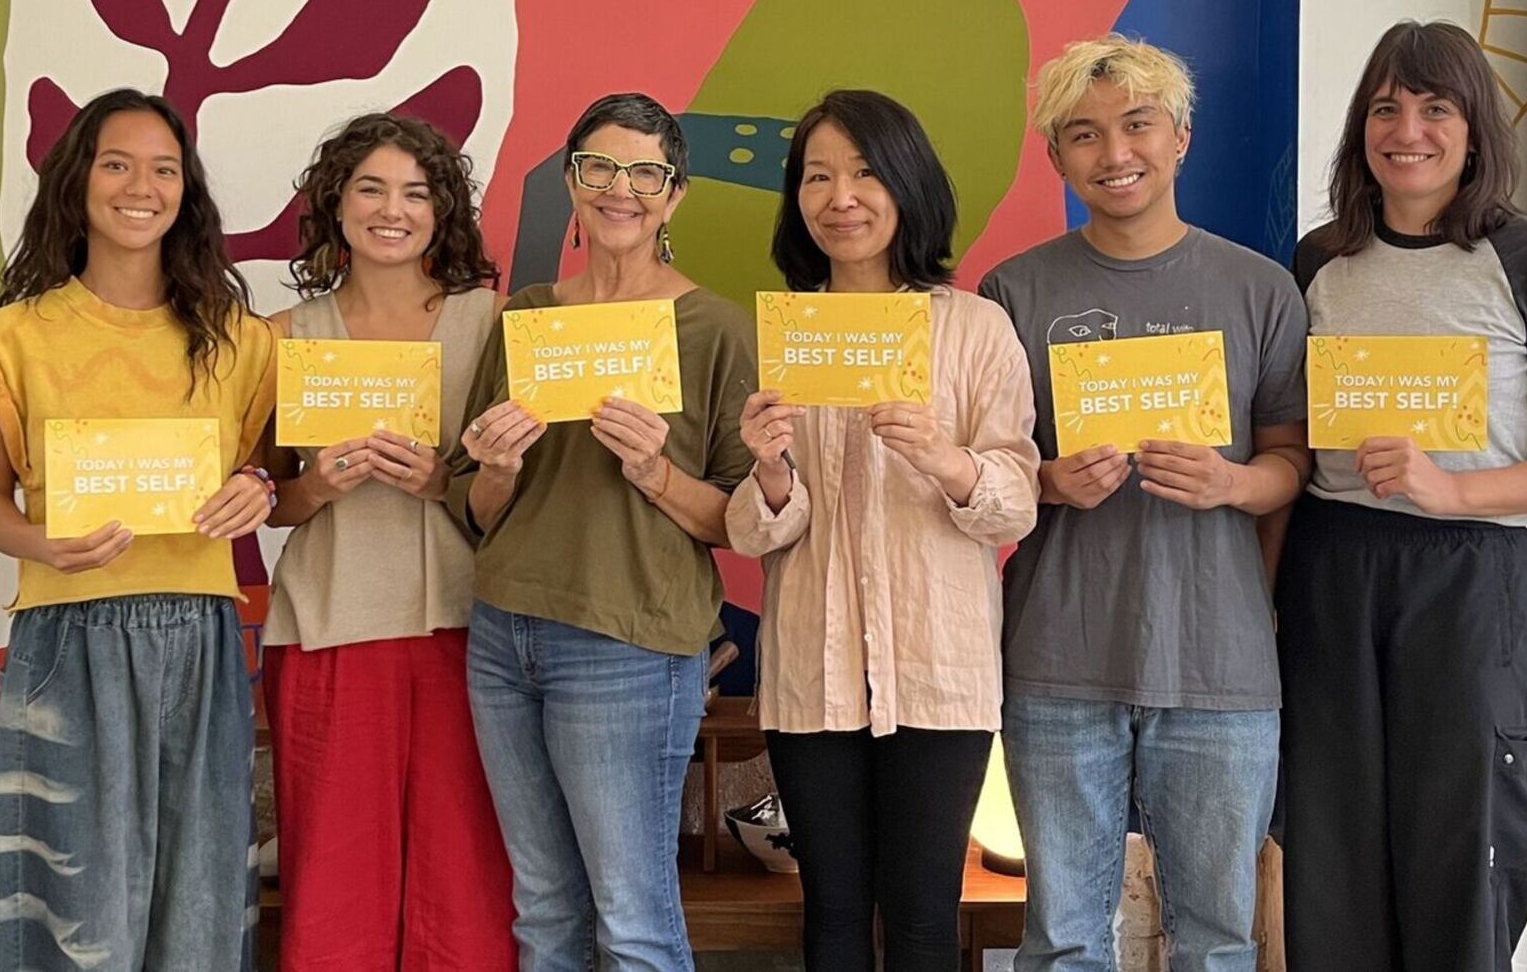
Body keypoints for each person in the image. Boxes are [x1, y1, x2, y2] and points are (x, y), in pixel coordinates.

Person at [1277, 20, 1527, 972]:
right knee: (1329, 857)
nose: (1408, 131)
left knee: (1463, 855)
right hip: (1331, 569)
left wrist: (1451, 488)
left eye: (1436, 108)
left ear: (1474, 130)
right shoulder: (1319, 260)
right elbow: (1292, 438)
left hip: (1472, 579)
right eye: (1386, 108)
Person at [978, 34, 1312, 972]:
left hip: (1221, 662)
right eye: (1084, 134)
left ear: (1181, 138)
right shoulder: (1014, 292)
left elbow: (1293, 461)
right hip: (1057, 655)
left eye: (1138, 125)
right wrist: (1049, 480)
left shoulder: (1261, 290)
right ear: (1056, 156)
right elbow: (989, 469)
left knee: (1216, 942)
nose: (1115, 153)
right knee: (1063, 942)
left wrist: (1231, 482)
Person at [0, 89, 275, 970]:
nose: (142, 187)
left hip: (203, 637)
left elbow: (268, 474)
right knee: (76, 912)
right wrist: (42, 544)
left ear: (187, 190)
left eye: (164, 169)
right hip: (68, 637)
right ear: (78, 180)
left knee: (200, 903)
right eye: (117, 164)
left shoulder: (239, 341)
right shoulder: (9, 340)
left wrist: (256, 486)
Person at [726, 90, 1040, 972]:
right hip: (812, 670)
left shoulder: (974, 328)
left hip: (939, 670)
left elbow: (1017, 502)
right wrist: (771, 470)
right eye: (816, 176)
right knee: (829, 911)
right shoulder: (786, 335)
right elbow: (754, 532)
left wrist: (944, 459)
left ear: (908, 183)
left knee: (924, 916)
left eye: (864, 172)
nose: (840, 197)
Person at [448, 92, 755, 971]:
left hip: (630, 645)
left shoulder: (715, 328)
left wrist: (655, 472)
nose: (621, 189)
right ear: (572, 180)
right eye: (600, 168)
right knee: (543, 907)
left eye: (645, 173)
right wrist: (497, 468)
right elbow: (473, 504)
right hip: (504, 633)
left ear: (675, 194)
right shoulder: (527, 316)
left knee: (632, 917)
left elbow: (745, 522)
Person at [261, 113, 516, 969]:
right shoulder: (284, 335)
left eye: (415, 192)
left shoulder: (492, 323)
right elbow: (268, 498)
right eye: (370, 188)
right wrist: (317, 487)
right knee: (335, 882)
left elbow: (523, 490)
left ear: (442, 210)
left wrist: (443, 481)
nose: (392, 210)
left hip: (467, 627)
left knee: (467, 879)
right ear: (336, 204)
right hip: (330, 624)